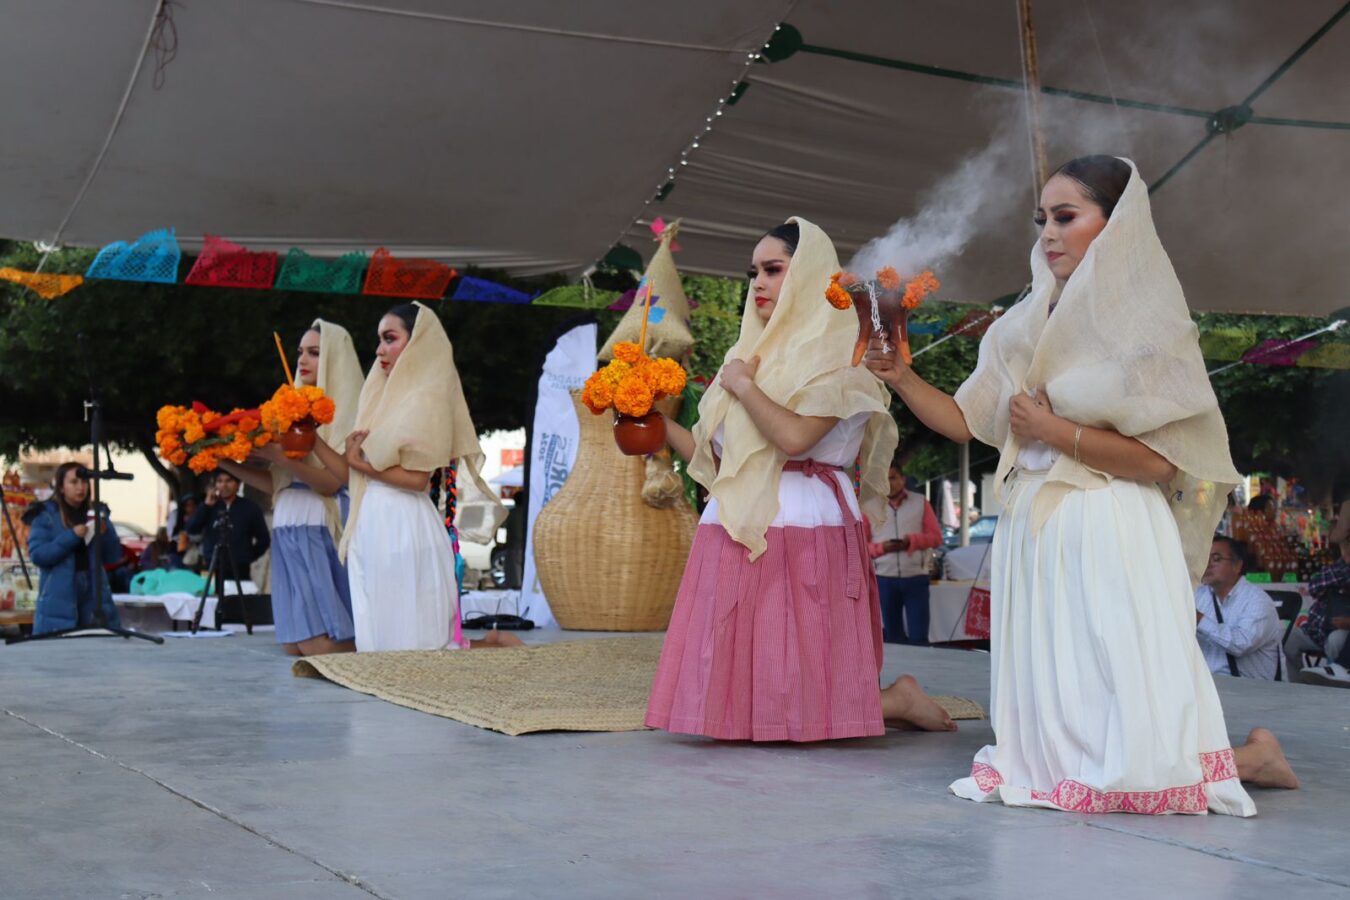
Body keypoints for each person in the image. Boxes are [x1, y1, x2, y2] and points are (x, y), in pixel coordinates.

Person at [865, 156, 1296, 815]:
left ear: (1116, 224)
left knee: (1117, 688)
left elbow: (1158, 463)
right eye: (1042, 220)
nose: (1048, 234)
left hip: (1109, 520)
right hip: (1035, 525)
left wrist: (1050, 427)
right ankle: (1246, 759)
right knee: (1063, 704)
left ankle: (1246, 759)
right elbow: (964, 420)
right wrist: (898, 375)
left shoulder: (1147, 326)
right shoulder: (1021, 324)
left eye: (1066, 217)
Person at [645, 218, 957, 741]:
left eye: (773, 269)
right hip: (737, 518)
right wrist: (653, 424)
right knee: (745, 692)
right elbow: (719, 460)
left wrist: (743, 386)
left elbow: (794, 439)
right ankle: (892, 701)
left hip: (805, 520)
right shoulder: (744, 355)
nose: (759, 284)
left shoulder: (843, 357)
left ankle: (894, 699)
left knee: (798, 679)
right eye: (754, 274)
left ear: (811, 273)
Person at [320, 302, 516, 652]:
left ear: (417, 343)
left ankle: (493, 645)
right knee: (379, 636)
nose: (380, 349)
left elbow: (418, 479)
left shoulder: (426, 396)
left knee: (412, 642)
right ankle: (488, 645)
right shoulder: (379, 394)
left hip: (403, 522)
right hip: (372, 519)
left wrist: (361, 464)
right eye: (379, 340)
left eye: (390, 339)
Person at [217, 320, 363, 656]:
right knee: (294, 646)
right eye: (300, 352)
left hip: (320, 526)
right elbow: (278, 484)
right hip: (287, 527)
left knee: (320, 644)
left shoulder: (348, 412)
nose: (303, 360)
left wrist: (279, 457)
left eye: (314, 353)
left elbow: (332, 483)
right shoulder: (285, 412)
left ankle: (382, 647)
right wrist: (222, 461)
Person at [23, 462, 125, 633]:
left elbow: (113, 557)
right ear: (61, 488)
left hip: (93, 596)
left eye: (84, 482)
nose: (81, 487)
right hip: (59, 600)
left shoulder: (96, 512)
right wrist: (71, 536)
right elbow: (38, 555)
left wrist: (106, 533)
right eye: (74, 482)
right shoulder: (46, 515)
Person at [866, 461, 943, 644]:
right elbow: (861, 546)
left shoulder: (920, 502)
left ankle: (918, 672)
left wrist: (912, 541)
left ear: (903, 479)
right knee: (892, 637)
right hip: (884, 578)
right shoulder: (870, 507)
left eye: (893, 477)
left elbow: (935, 537)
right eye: (884, 479)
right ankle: (897, 673)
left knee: (918, 636)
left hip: (915, 577)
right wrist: (882, 548)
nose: (889, 483)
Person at [1194, 536, 1282, 680]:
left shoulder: (1258, 601)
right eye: (1205, 558)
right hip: (1208, 685)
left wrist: (1199, 619)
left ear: (1237, 566)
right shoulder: (1199, 595)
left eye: (1216, 559)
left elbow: (1240, 644)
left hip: (1250, 691)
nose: (1207, 565)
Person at [1290, 499, 1350, 685]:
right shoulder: (1340, 565)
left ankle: (1336, 682)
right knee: (1290, 639)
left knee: (1335, 639)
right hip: (1318, 628)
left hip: (1342, 629)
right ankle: (1297, 684)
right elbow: (1314, 587)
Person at [186, 470, 271, 582]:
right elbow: (191, 529)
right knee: (211, 598)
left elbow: (264, 539)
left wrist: (248, 556)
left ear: (238, 484)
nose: (223, 485)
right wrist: (205, 506)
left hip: (240, 568)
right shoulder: (209, 506)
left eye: (228, 481)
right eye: (219, 481)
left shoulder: (250, 508)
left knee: (237, 598)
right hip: (211, 566)